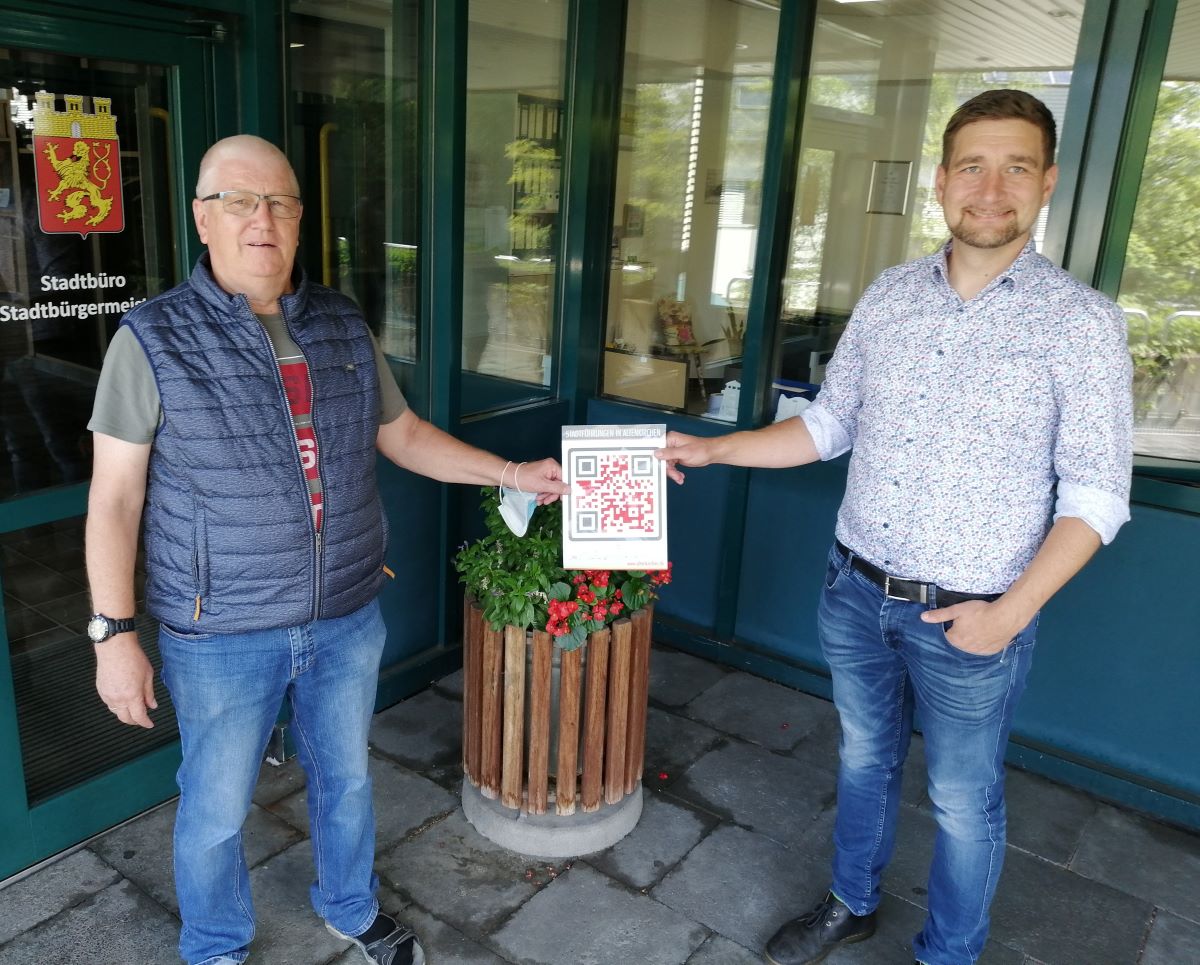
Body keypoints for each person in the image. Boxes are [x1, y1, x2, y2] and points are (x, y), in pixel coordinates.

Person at [656, 90, 1132, 965]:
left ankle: (948, 953)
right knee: (865, 760)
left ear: (1048, 183)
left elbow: (1098, 495)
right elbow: (829, 425)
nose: (991, 188)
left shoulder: (1083, 324)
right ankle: (852, 901)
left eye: (1016, 167)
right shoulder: (890, 296)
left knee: (961, 798)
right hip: (855, 592)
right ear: (942, 182)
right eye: (972, 167)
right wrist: (715, 452)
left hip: (973, 618)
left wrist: (1011, 612)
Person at [85, 134, 568, 965]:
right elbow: (115, 497)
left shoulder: (341, 322)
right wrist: (113, 634)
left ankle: (350, 903)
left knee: (345, 780)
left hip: (344, 613)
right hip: (221, 627)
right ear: (204, 218)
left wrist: (512, 471)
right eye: (239, 201)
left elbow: (403, 433)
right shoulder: (153, 337)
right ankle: (215, 944)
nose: (262, 218)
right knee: (214, 806)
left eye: (280, 202)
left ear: (301, 220)